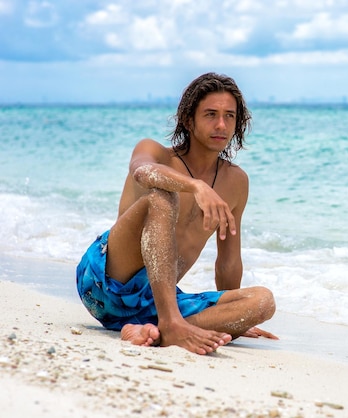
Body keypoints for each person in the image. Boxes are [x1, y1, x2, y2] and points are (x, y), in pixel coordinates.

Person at [76, 72, 277, 355]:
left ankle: (154, 330)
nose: (221, 124)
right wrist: (195, 186)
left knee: (263, 301)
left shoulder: (236, 182)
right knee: (162, 198)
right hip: (105, 282)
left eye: (229, 116)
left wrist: (233, 316)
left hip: (156, 301)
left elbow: (228, 261)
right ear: (188, 119)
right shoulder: (155, 152)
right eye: (210, 114)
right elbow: (142, 171)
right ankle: (171, 324)